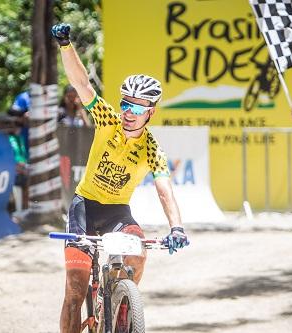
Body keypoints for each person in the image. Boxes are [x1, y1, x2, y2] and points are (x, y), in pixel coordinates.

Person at [51, 23, 190, 332]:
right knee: (75, 289)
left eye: (137, 107)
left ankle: (117, 299)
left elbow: (164, 187)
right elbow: (82, 84)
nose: (128, 112)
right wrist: (65, 45)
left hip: (117, 212)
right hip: (84, 207)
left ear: (150, 113)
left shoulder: (151, 147)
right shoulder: (108, 119)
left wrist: (176, 227)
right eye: (125, 103)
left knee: (138, 253)